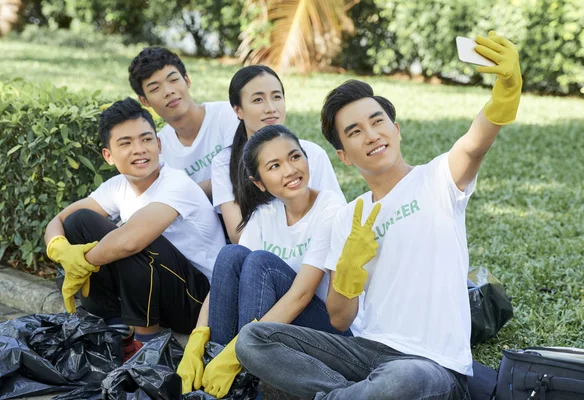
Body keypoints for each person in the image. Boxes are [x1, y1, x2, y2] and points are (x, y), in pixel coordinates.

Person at [234, 31, 522, 399]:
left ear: (396, 130)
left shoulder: (437, 180)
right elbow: (339, 318)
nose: (371, 135)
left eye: (377, 121)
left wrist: (506, 91)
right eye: (354, 132)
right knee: (253, 339)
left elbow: (475, 143)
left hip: (431, 365)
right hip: (366, 353)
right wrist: (349, 278)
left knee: (401, 381)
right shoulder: (349, 216)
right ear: (344, 156)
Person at [177, 125, 353, 398]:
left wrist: (238, 353)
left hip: (327, 333)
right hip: (275, 331)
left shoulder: (330, 208)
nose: (290, 170)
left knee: (262, 264)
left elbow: (302, 295)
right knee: (231, 255)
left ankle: (244, 373)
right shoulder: (265, 214)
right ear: (258, 182)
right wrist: (198, 336)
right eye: (274, 166)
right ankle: (216, 366)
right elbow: (223, 279)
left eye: (295, 157)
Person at [44, 98, 225, 361]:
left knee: (133, 239)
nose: (139, 149)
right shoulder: (117, 186)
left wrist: (81, 263)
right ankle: (115, 331)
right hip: (161, 292)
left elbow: (131, 242)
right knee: (80, 222)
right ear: (108, 155)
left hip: (199, 303)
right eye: (126, 143)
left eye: (146, 139)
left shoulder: (175, 183)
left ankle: (146, 346)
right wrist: (59, 250)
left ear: (159, 144)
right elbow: (59, 220)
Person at [211, 65, 344, 243]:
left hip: (310, 252)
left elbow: (336, 218)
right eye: (258, 100)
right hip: (258, 254)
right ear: (238, 110)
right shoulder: (225, 161)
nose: (271, 108)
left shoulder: (312, 153)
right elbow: (237, 235)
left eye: (277, 97)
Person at [128, 47, 239, 201]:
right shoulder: (158, 147)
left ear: (187, 80)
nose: (168, 91)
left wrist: (183, 195)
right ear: (144, 101)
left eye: (173, 80)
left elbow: (244, 174)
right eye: (155, 88)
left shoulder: (229, 115)